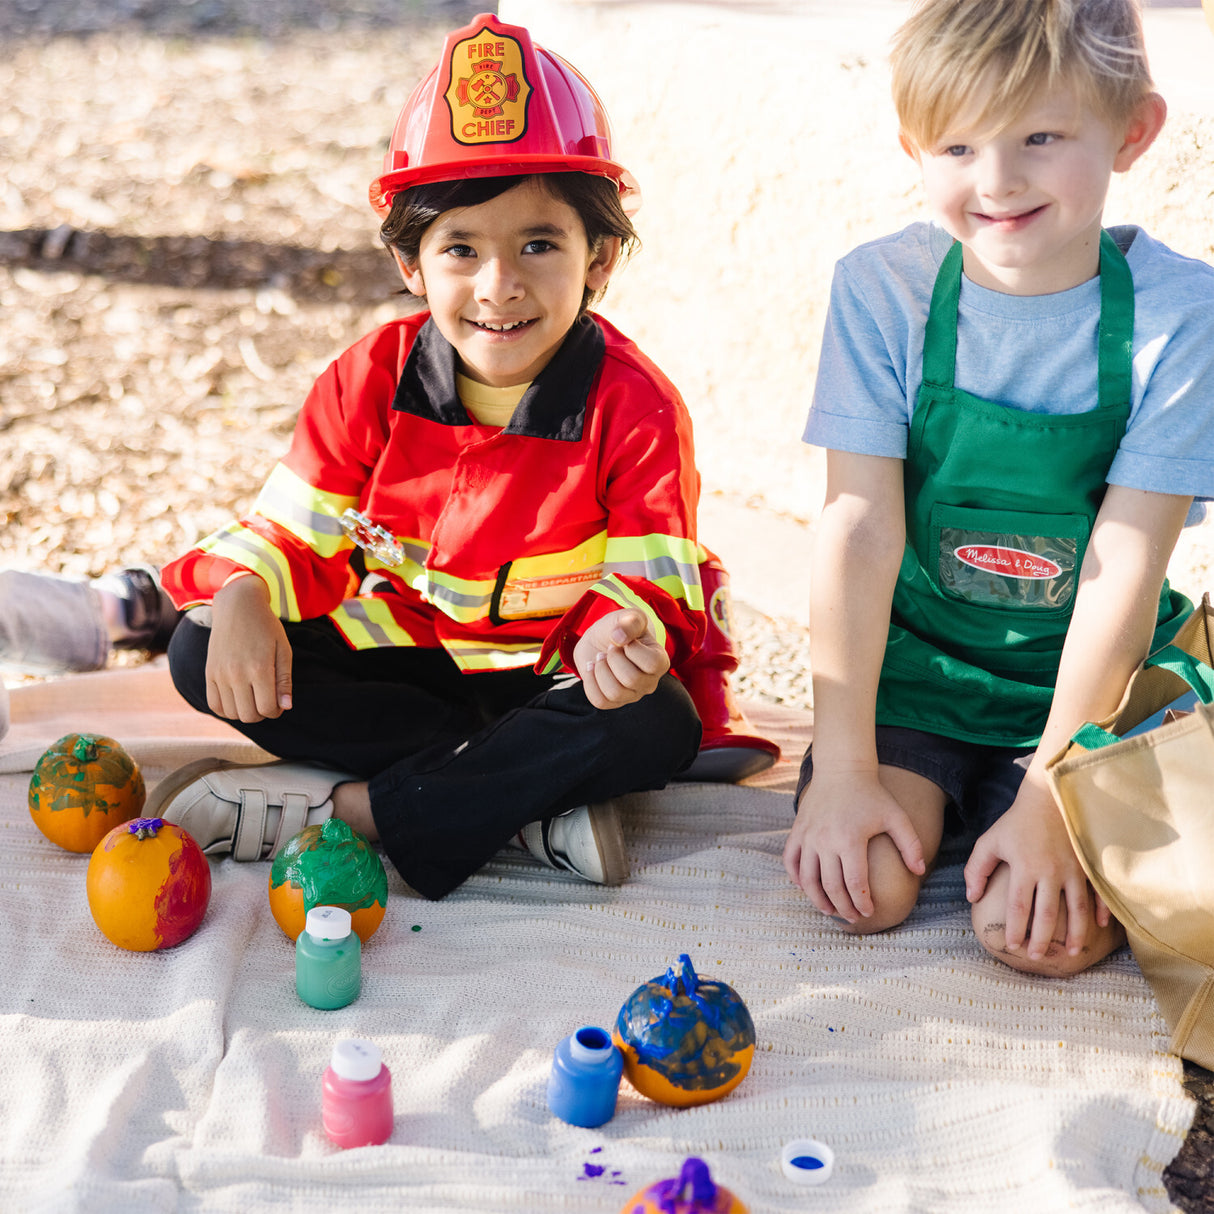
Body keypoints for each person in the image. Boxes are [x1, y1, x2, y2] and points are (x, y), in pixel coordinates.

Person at [139, 13, 770, 902]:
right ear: (410, 262)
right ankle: (522, 799)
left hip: (556, 681)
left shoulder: (636, 405)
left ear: (602, 260)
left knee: (655, 722)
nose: (498, 285)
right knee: (202, 648)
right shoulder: (370, 378)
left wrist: (622, 641)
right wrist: (242, 591)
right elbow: (291, 533)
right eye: (460, 248)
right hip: (412, 671)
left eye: (540, 245)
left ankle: (350, 812)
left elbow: (653, 584)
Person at [783, 0, 1214, 977]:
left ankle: (1031, 797)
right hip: (919, 672)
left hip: (1085, 683)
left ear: (1130, 132)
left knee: (1039, 940)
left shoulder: (1181, 319)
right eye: (956, 145)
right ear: (912, 147)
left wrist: (1054, 795)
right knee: (867, 888)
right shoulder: (879, 289)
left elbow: (1124, 563)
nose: (996, 180)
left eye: (1040, 137)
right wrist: (843, 767)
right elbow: (855, 529)